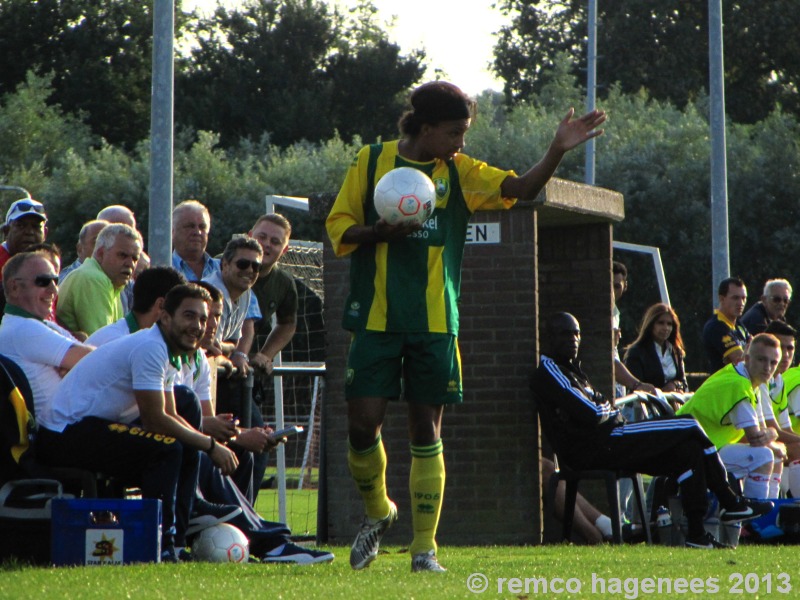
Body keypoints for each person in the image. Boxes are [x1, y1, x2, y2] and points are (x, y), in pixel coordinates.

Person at [326, 80, 606, 571]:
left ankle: (424, 550)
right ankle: (378, 513)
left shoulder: (460, 172)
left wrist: (555, 151)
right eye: (455, 132)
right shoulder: (371, 162)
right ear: (426, 127)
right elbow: (338, 227)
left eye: (465, 133)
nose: (462, 142)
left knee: (425, 429)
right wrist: (378, 232)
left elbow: (522, 190)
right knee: (361, 426)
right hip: (374, 319)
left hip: (436, 323)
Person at [532, 312, 772, 549]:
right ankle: (730, 500)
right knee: (688, 423)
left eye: (576, 334)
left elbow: (604, 405)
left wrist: (605, 408)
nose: (573, 340)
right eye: (565, 334)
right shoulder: (550, 370)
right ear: (550, 337)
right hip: (598, 445)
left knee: (688, 452)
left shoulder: (575, 370)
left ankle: (696, 535)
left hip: (610, 437)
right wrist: (605, 409)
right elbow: (592, 412)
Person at [36, 284, 239, 562]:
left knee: (186, 402)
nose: (198, 326)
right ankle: (159, 543)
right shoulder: (151, 347)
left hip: (91, 426)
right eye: (189, 316)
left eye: (203, 319)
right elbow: (156, 421)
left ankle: (181, 531)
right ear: (165, 317)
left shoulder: (167, 349)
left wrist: (205, 443)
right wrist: (211, 445)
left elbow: (171, 413)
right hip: (64, 433)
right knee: (167, 449)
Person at [677, 334, 783, 499]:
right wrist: (774, 433)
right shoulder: (739, 385)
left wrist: (773, 442)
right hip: (692, 450)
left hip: (704, 446)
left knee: (773, 454)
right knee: (764, 456)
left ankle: (771, 509)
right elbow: (754, 438)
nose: (767, 367)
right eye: (761, 360)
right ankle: (755, 519)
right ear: (747, 358)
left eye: (773, 362)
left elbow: (759, 432)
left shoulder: (745, 378)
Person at [0, 252, 93, 416]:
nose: (53, 289)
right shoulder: (24, 329)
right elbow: (98, 361)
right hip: (61, 431)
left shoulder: (39, 324)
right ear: (14, 287)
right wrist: (76, 367)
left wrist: (73, 368)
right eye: (43, 281)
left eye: (55, 281)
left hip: (73, 422)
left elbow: (92, 360)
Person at [56, 223, 142, 336]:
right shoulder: (93, 278)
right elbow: (104, 344)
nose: (130, 264)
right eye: (122, 255)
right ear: (101, 254)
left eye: (135, 259)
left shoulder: (113, 283)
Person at [611, 262, 657, 397]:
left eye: (616, 286)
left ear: (625, 286)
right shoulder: (602, 314)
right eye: (609, 286)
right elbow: (609, 359)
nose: (612, 292)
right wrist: (637, 385)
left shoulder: (615, 313)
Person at [623, 303, 689, 392]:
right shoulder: (636, 352)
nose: (666, 328)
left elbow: (683, 383)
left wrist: (675, 384)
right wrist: (660, 391)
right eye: (660, 323)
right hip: (646, 404)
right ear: (651, 325)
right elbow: (634, 387)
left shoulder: (676, 351)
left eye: (669, 324)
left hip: (673, 403)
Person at [702, 276, 751, 373]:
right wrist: (748, 351)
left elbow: (756, 349)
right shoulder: (716, 326)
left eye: (744, 298)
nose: (741, 303)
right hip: (723, 385)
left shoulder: (739, 325)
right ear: (722, 299)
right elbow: (742, 362)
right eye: (735, 298)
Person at [0, 198, 47, 280]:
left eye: (36, 227)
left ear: (45, 233)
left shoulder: (47, 264)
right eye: (21, 226)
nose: (29, 232)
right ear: (6, 231)